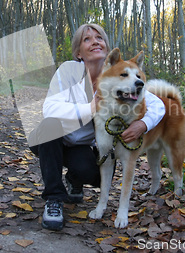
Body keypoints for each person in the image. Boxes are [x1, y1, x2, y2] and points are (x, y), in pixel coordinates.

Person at [28, 23, 166, 231]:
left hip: (80, 147)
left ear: (106, 47)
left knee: (96, 175)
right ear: (78, 52)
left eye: (99, 37)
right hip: (52, 138)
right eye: (87, 39)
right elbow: (49, 108)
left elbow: (156, 103)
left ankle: (74, 179)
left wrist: (143, 124)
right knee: (49, 126)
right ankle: (54, 199)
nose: (94, 41)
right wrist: (90, 108)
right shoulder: (68, 71)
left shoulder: (115, 75)